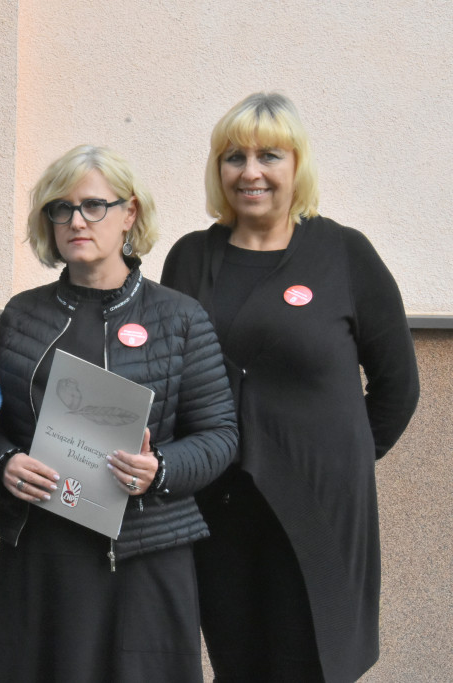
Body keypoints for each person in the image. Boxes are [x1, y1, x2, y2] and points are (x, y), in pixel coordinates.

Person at [161, 92, 420, 683]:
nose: (250, 172)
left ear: (296, 166)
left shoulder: (344, 254)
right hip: (218, 510)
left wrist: (339, 457)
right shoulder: (190, 258)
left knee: (313, 663)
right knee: (239, 662)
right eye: (233, 158)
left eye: (268, 156)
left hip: (319, 508)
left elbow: (397, 387)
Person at [0, 144, 238, 682]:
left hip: (145, 555)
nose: (76, 221)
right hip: (43, 552)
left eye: (94, 205)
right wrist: (3, 462)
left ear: (130, 214)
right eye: (60, 208)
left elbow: (219, 434)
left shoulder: (180, 317)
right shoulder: (24, 315)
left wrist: (160, 468)